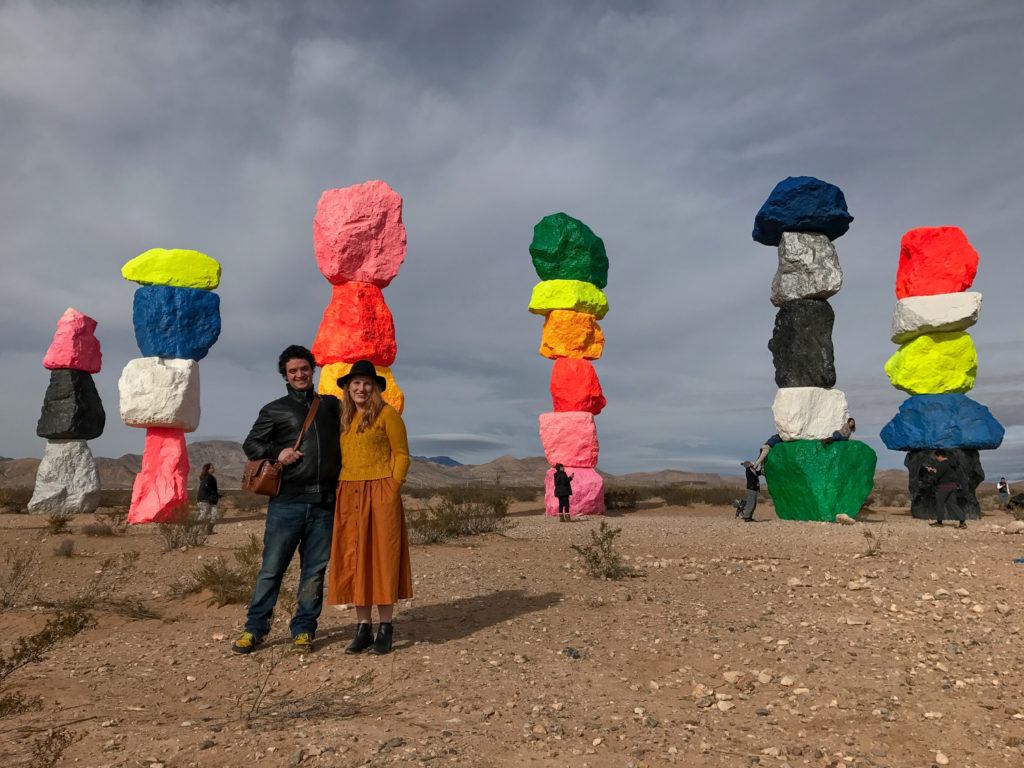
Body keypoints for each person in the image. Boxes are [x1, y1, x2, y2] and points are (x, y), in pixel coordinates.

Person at [232, 345, 341, 655]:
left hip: (323, 503)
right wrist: (275, 453)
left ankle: (304, 629)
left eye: (304, 368)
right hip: (287, 503)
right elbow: (251, 443)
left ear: (313, 370)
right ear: (285, 375)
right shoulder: (274, 409)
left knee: (314, 570)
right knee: (272, 568)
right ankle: (255, 629)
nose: (299, 374)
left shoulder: (331, 407)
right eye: (293, 371)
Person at [327, 359, 412, 656]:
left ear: (375, 388)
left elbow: (401, 454)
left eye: (366, 383)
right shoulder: (342, 418)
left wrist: (392, 486)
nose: (361, 388)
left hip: (380, 492)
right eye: (356, 384)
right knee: (354, 557)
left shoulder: (387, 415)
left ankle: (385, 627)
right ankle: (363, 628)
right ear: (348, 389)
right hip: (348, 492)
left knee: (381, 556)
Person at [925, 449, 966, 529]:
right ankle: (962, 522)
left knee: (940, 504)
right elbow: (946, 473)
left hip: (944, 487)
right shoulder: (951, 463)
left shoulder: (942, 464)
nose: (936, 458)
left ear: (940, 456)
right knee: (953, 504)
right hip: (953, 486)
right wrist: (936, 470)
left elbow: (937, 476)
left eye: (936, 457)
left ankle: (939, 522)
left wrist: (930, 471)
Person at [196, 463, 220, 534]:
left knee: (214, 514)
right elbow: (207, 487)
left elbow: (212, 489)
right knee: (203, 514)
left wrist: (217, 495)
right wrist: (213, 494)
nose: (213, 469)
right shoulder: (207, 478)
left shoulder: (211, 478)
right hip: (204, 499)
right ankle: (198, 530)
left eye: (213, 467)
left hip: (212, 500)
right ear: (207, 469)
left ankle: (209, 530)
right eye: (211, 468)